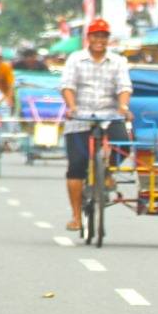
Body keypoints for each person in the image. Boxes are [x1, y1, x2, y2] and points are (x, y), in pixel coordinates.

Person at [60, 18, 132, 231]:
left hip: (110, 115)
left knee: (124, 145)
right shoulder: (76, 59)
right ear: (88, 38)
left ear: (108, 39)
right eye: (95, 36)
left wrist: (123, 107)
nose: (99, 40)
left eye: (103, 36)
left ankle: (107, 172)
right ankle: (75, 216)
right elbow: (67, 86)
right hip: (80, 117)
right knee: (76, 166)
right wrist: (71, 107)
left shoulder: (118, 61)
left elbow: (124, 87)